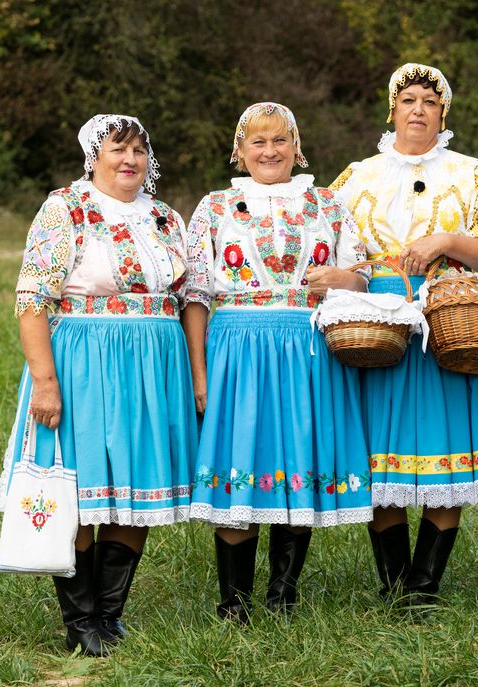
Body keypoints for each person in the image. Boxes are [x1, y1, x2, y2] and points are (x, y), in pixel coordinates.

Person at [3, 114, 197, 655]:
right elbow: (31, 299)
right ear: (94, 156)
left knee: (133, 489)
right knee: (83, 492)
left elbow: (189, 298)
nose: (130, 159)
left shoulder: (164, 217)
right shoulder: (65, 208)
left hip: (152, 369)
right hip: (84, 362)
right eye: (118, 149)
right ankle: (80, 619)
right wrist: (45, 381)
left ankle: (110, 615)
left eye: (139, 149)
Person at [183, 102, 371, 622]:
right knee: (241, 460)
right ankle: (234, 604)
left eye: (279, 141)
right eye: (257, 142)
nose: (269, 152)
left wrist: (343, 279)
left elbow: (360, 277)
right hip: (237, 349)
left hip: (309, 349)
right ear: (239, 152)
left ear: (296, 147)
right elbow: (196, 294)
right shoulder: (215, 207)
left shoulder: (328, 204)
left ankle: (283, 595)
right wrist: (200, 372)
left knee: (298, 463)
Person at [330, 63, 478, 605]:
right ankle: (393, 583)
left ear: (442, 113)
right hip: (375, 323)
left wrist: (446, 240)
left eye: (428, 102)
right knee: (379, 455)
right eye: (406, 99)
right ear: (392, 108)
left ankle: (425, 585)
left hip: (448, 322)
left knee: (447, 450)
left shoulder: (468, 171)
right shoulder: (358, 175)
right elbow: (325, 241)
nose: (417, 109)